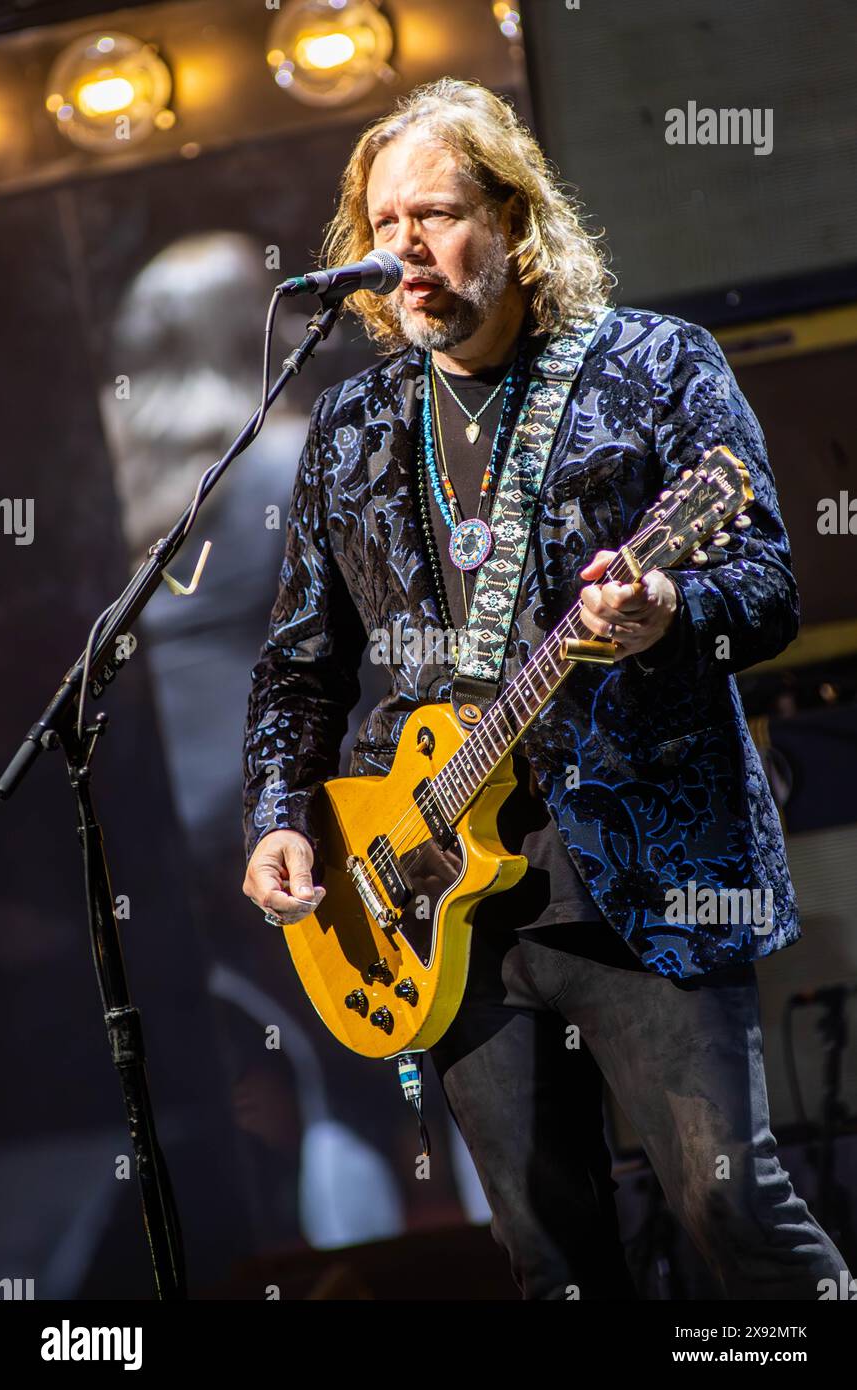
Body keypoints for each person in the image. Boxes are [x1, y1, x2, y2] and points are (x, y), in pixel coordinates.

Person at [241, 79, 852, 1299]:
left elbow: (769, 585)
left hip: (647, 871)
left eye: (435, 214)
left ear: (514, 221)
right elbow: (298, 661)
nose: (402, 249)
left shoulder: (652, 365)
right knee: (549, 1259)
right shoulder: (352, 427)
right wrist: (276, 815)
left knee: (730, 1206)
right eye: (381, 225)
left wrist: (668, 614)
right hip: (433, 903)